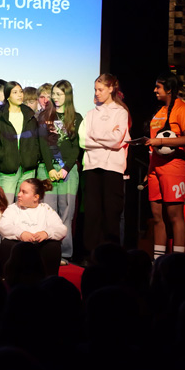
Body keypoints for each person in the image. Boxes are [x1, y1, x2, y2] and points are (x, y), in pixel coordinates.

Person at [146, 73, 185, 259]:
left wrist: (159, 141)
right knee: (157, 216)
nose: (154, 90)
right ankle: (158, 261)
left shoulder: (181, 108)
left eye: (158, 87)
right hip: (155, 166)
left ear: (169, 89)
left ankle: (178, 262)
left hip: (174, 166)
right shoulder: (160, 111)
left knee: (175, 215)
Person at [81, 73, 131, 252]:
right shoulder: (90, 114)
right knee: (92, 213)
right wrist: (106, 137)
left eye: (100, 89)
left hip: (112, 168)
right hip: (92, 166)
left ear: (111, 88)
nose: (97, 93)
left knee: (111, 213)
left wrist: (95, 135)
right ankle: (90, 253)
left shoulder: (121, 112)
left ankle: (111, 254)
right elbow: (84, 140)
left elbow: (117, 140)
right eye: (95, 89)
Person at [38, 79, 81, 264]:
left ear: (67, 95)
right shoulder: (44, 116)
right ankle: (48, 252)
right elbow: (43, 144)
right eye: (53, 94)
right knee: (47, 211)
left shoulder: (76, 117)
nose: (55, 97)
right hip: (47, 169)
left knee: (66, 212)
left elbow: (76, 147)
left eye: (59, 94)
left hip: (68, 171)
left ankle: (64, 253)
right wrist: (49, 169)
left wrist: (65, 168)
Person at [0, 178, 67, 276]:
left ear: (35, 197)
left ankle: (49, 280)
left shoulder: (45, 209)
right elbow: (3, 226)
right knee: (6, 243)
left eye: (24, 192)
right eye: (19, 191)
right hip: (20, 244)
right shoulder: (13, 208)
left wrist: (46, 233)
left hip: (39, 246)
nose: (19, 194)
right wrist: (21, 233)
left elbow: (61, 229)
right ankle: (10, 278)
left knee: (53, 246)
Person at [0, 81, 41, 201]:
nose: (19, 95)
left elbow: (36, 140)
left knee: (25, 205)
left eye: (21, 92)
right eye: (15, 92)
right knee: (6, 205)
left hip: (27, 168)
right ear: (8, 96)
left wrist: (34, 157)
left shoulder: (29, 115)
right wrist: (2, 158)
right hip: (7, 168)